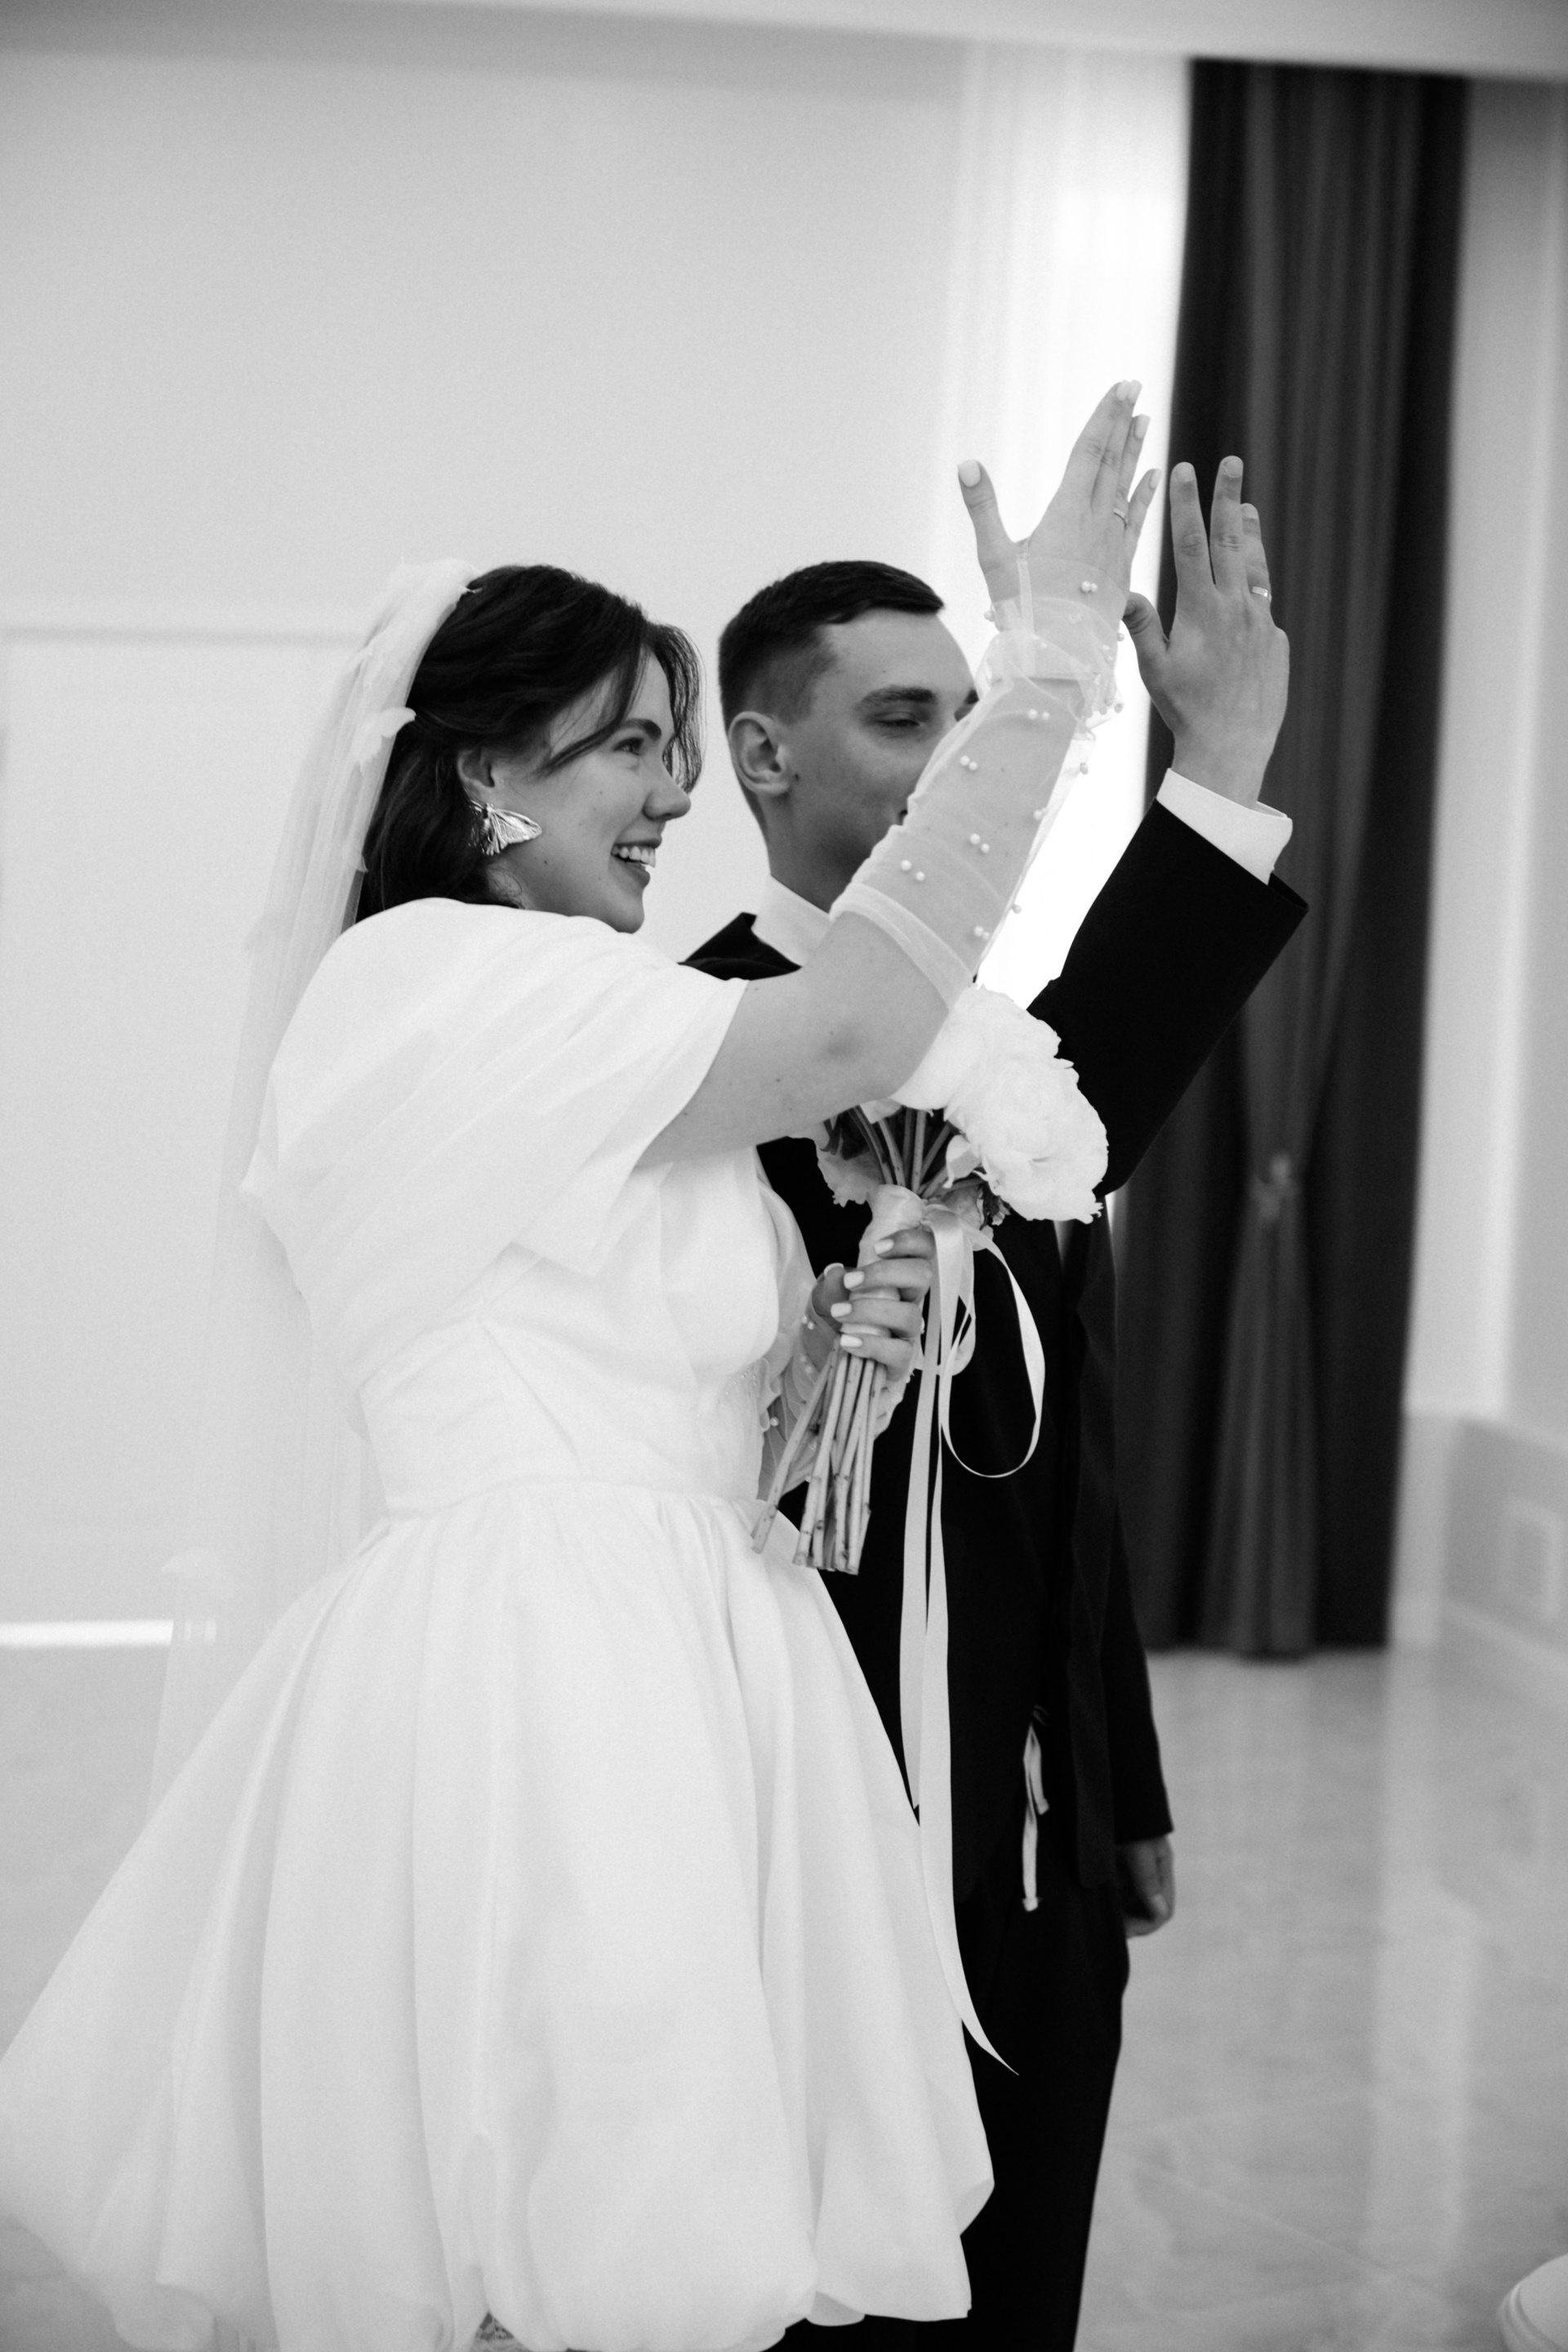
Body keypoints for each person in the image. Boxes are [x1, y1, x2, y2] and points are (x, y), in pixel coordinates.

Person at [0, 385, 1164, 2352]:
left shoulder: (586, 1009)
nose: (673, 796)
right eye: (633, 744)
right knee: (583, 2219)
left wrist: (832, 1366)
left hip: (704, 1638)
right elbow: (851, 1030)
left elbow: (656, 1371)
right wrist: (1044, 675)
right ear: (480, 774)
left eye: (676, 754)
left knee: (660, 2225)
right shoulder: (428, 982)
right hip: (549, 1677)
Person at [690, 448, 1303, 2350]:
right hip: (776, 1816)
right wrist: (1211, 784)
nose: (965, 760)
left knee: (1016, 2274)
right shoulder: (688, 1047)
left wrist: (1116, 1775)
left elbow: (1069, 1451)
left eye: (980, 717)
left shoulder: (1006, 1058)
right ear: (761, 755)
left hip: (1027, 1833)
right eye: (906, 719)